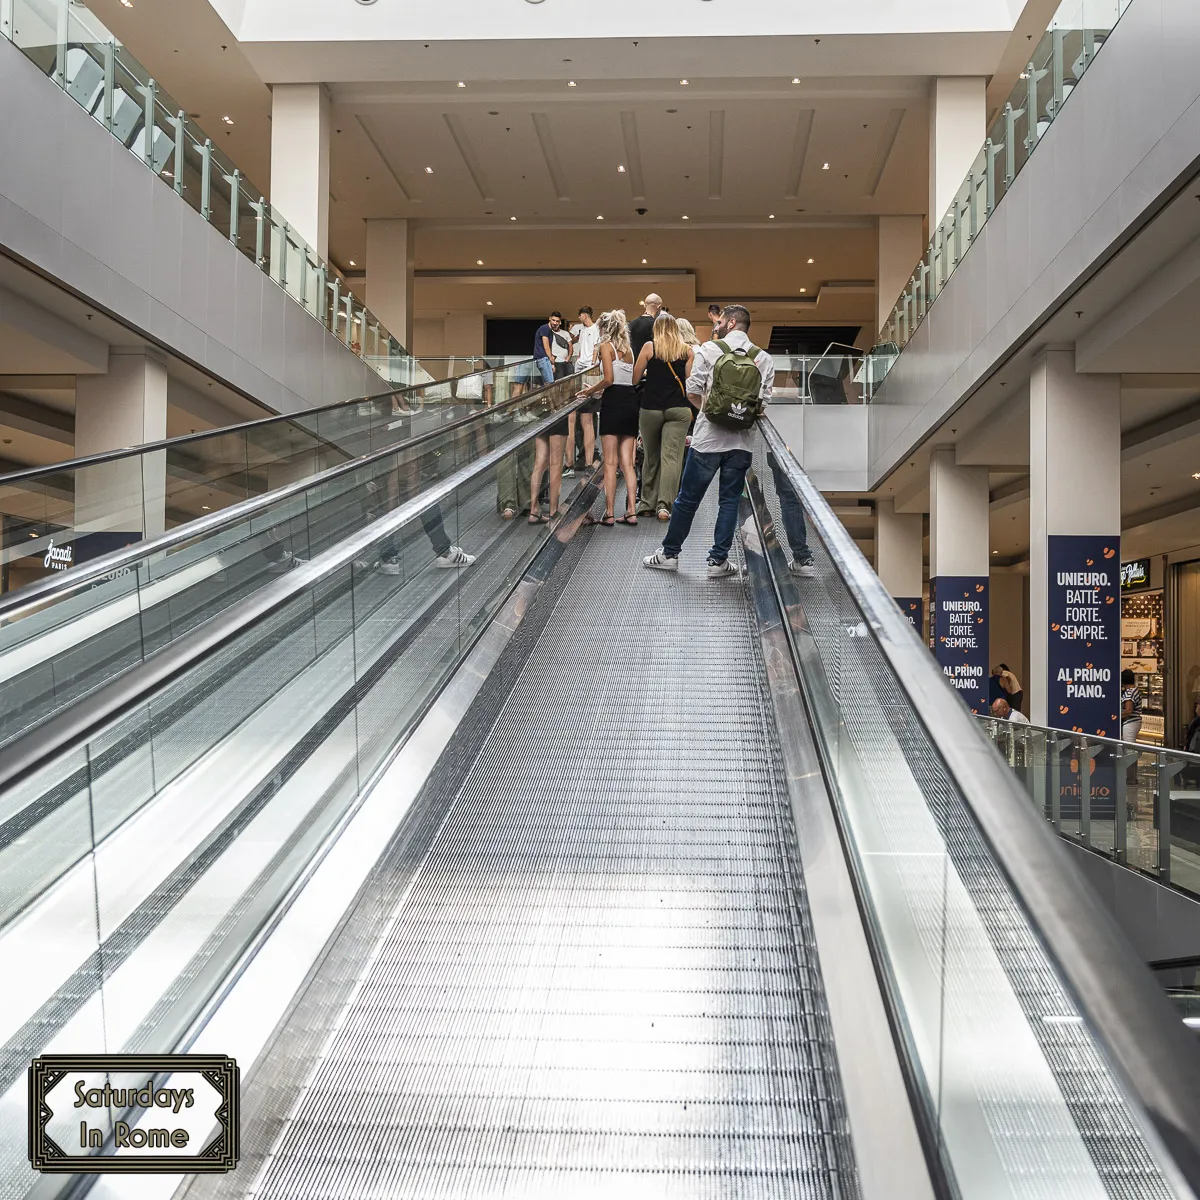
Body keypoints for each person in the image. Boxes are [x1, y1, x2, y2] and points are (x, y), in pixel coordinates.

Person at [643, 304, 773, 577]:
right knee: (728, 502)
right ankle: (718, 562)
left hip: (707, 440)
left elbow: (692, 390)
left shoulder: (709, 350)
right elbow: (762, 405)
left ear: (732, 323)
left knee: (688, 500)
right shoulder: (764, 359)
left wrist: (711, 413)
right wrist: (736, 416)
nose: (716, 326)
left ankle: (669, 554)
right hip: (741, 444)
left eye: (720, 321)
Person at [577, 310, 639, 526]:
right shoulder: (629, 350)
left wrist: (589, 391)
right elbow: (625, 380)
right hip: (630, 401)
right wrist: (598, 389)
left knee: (610, 463)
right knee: (628, 464)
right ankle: (631, 511)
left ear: (603, 329)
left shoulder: (606, 347)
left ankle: (610, 513)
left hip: (613, 404)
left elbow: (609, 379)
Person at [632, 312, 694, 520]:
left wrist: (652, 373)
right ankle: (665, 506)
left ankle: (647, 504)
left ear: (656, 329)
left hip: (651, 408)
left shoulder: (650, 347)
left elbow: (635, 378)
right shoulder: (687, 350)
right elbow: (688, 381)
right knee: (672, 458)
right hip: (679, 409)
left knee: (651, 456)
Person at [566, 306, 600, 473]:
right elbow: (581, 349)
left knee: (587, 416)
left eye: (579, 316)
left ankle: (587, 460)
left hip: (589, 371)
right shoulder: (582, 330)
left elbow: (596, 347)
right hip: (580, 369)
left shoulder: (595, 329)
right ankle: (577, 461)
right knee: (577, 416)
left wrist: (592, 366)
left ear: (583, 315)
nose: (579, 319)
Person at [627, 294, 662, 361]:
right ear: (659, 307)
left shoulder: (631, 324)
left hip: (634, 364)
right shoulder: (658, 325)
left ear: (644, 306)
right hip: (652, 364)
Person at [533, 312, 563, 385]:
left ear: (560, 322)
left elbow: (549, 347)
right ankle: (549, 397)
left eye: (557, 321)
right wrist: (552, 361)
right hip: (543, 359)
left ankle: (547, 396)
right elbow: (546, 347)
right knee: (550, 384)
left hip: (545, 359)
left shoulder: (550, 331)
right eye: (553, 320)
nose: (555, 323)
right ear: (549, 319)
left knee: (548, 384)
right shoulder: (545, 328)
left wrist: (552, 364)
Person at [1121, 669, 1143, 744]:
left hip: (1130, 723)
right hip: (1135, 722)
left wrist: (1116, 717)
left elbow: (1128, 711)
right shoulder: (1135, 690)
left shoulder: (1129, 692)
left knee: (1129, 748)